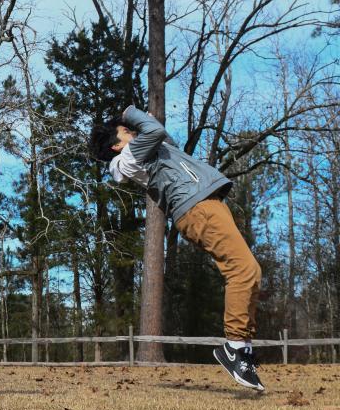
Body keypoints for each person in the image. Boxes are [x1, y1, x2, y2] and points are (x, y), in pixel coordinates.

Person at [89, 105, 264, 391]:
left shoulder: (152, 151)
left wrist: (131, 122)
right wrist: (128, 113)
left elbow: (163, 136)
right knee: (243, 270)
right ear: (117, 145)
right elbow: (154, 130)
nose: (133, 131)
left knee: (249, 271)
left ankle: (241, 349)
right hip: (197, 207)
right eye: (126, 131)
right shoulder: (127, 159)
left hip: (205, 204)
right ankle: (234, 347)